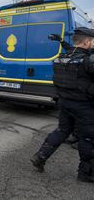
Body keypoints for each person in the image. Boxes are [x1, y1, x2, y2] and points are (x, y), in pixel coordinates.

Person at [31, 27, 94, 183]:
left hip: (64, 102)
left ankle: (40, 156)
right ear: (87, 41)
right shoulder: (88, 60)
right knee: (88, 138)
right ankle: (86, 173)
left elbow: (73, 53)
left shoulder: (62, 58)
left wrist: (61, 41)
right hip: (84, 105)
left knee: (62, 130)